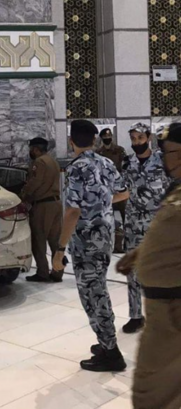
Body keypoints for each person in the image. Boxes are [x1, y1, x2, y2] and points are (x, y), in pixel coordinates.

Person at [53, 120, 129, 372]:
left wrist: (60, 248)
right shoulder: (105, 162)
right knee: (98, 288)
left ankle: (111, 351)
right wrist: (102, 205)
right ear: (95, 140)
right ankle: (105, 341)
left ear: (71, 141)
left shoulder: (76, 168)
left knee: (93, 294)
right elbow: (124, 191)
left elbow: (73, 210)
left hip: (86, 240)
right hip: (105, 236)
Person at [117, 123, 181, 409]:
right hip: (162, 307)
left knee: (151, 391)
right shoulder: (176, 187)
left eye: (172, 153)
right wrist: (142, 253)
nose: (168, 159)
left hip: (174, 307)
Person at [121, 122, 170, 334]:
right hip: (133, 223)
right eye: (133, 139)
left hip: (157, 224)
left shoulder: (163, 160)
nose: (136, 143)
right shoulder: (127, 163)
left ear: (148, 138)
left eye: (140, 139)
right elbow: (123, 190)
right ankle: (135, 315)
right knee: (133, 271)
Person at [21, 137, 63, 283]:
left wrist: (24, 196)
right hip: (56, 203)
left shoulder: (38, 162)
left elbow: (34, 182)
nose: (30, 152)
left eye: (31, 149)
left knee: (38, 240)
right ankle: (58, 272)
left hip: (43, 205)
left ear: (35, 149)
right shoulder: (53, 161)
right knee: (55, 240)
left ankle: (43, 272)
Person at [97, 128, 127, 253]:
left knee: (126, 216)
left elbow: (125, 167)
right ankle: (108, 244)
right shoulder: (98, 153)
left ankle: (126, 243)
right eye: (105, 137)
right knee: (106, 218)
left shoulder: (119, 150)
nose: (107, 139)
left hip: (120, 189)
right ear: (101, 138)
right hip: (107, 191)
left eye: (109, 137)